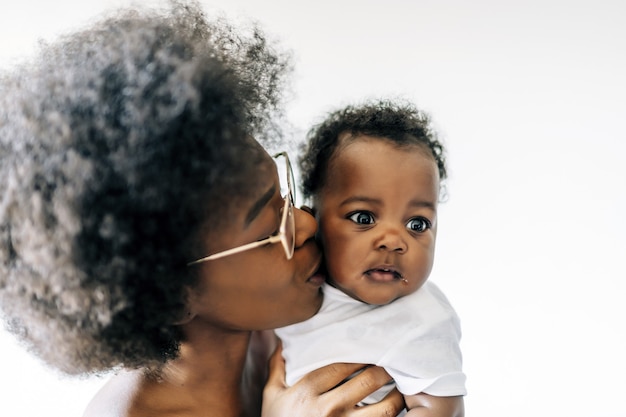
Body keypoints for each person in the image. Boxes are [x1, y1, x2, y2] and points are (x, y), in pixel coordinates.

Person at [0, 2, 405, 416]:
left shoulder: (286, 331)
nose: (305, 223)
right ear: (173, 294)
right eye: (273, 231)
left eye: (283, 196)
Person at [275, 101, 467, 416]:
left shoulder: (423, 319)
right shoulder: (291, 290)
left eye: (416, 224)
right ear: (314, 219)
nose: (394, 241)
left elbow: (443, 410)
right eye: (364, 217)